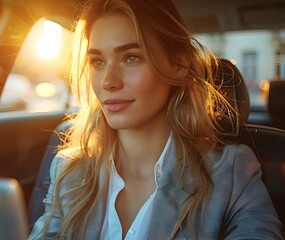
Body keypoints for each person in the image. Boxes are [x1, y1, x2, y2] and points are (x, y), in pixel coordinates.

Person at [29, 0, 283, 239]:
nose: (108, 81)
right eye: (97, 61)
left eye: (131, 57)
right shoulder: (69, 169)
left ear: (178, 64)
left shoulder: (232, 173)